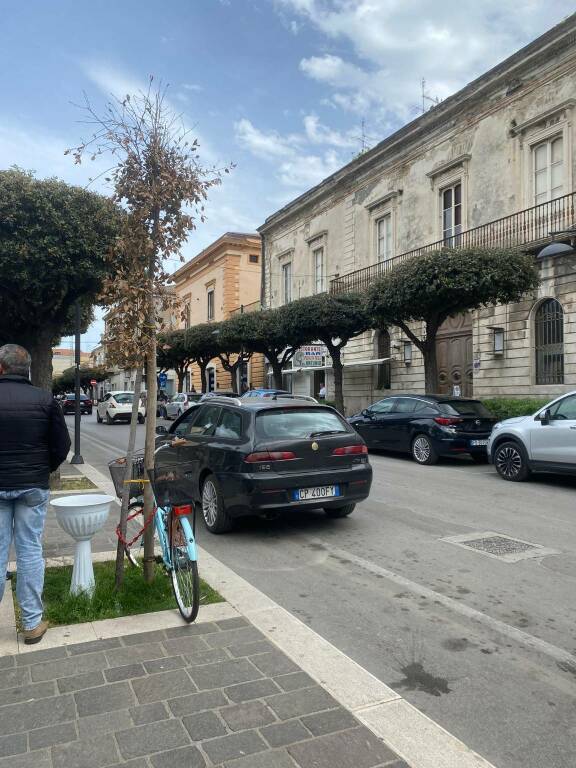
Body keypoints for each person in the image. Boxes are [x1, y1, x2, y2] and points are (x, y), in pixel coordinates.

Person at [0, 344, 71, 644]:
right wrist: (43, 468)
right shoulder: (44, 399)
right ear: (26, 369)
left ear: (1, 368)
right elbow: (62, 445)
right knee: (30, 550)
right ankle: (31, 624)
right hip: (32, 485)